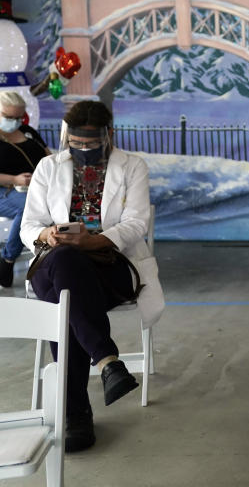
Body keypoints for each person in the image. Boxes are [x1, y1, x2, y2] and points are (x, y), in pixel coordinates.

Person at [20, 100, 156, 452]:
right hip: (55, 260)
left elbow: (137, 223)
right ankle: (108, 362)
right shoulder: (48, 167)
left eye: (91, 144)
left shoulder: (133, 167)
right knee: (65, 260)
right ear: (67, 137)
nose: (83, 150)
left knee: (62, 300)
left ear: (108, 135)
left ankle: (75, 412)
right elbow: (29, 225)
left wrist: (93, 239)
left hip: (109, 263)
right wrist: (46, 235)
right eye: (76, 144)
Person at [0, 90, 49, 287]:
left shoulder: (29, 133)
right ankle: (8, 260)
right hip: (5, 191)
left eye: (18, 117)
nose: (14, 121)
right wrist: (15, 179)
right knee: (29, 207)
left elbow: (49, 158)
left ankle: (49, 262)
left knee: (50, 206)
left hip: (35, 190)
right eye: (8, 117)